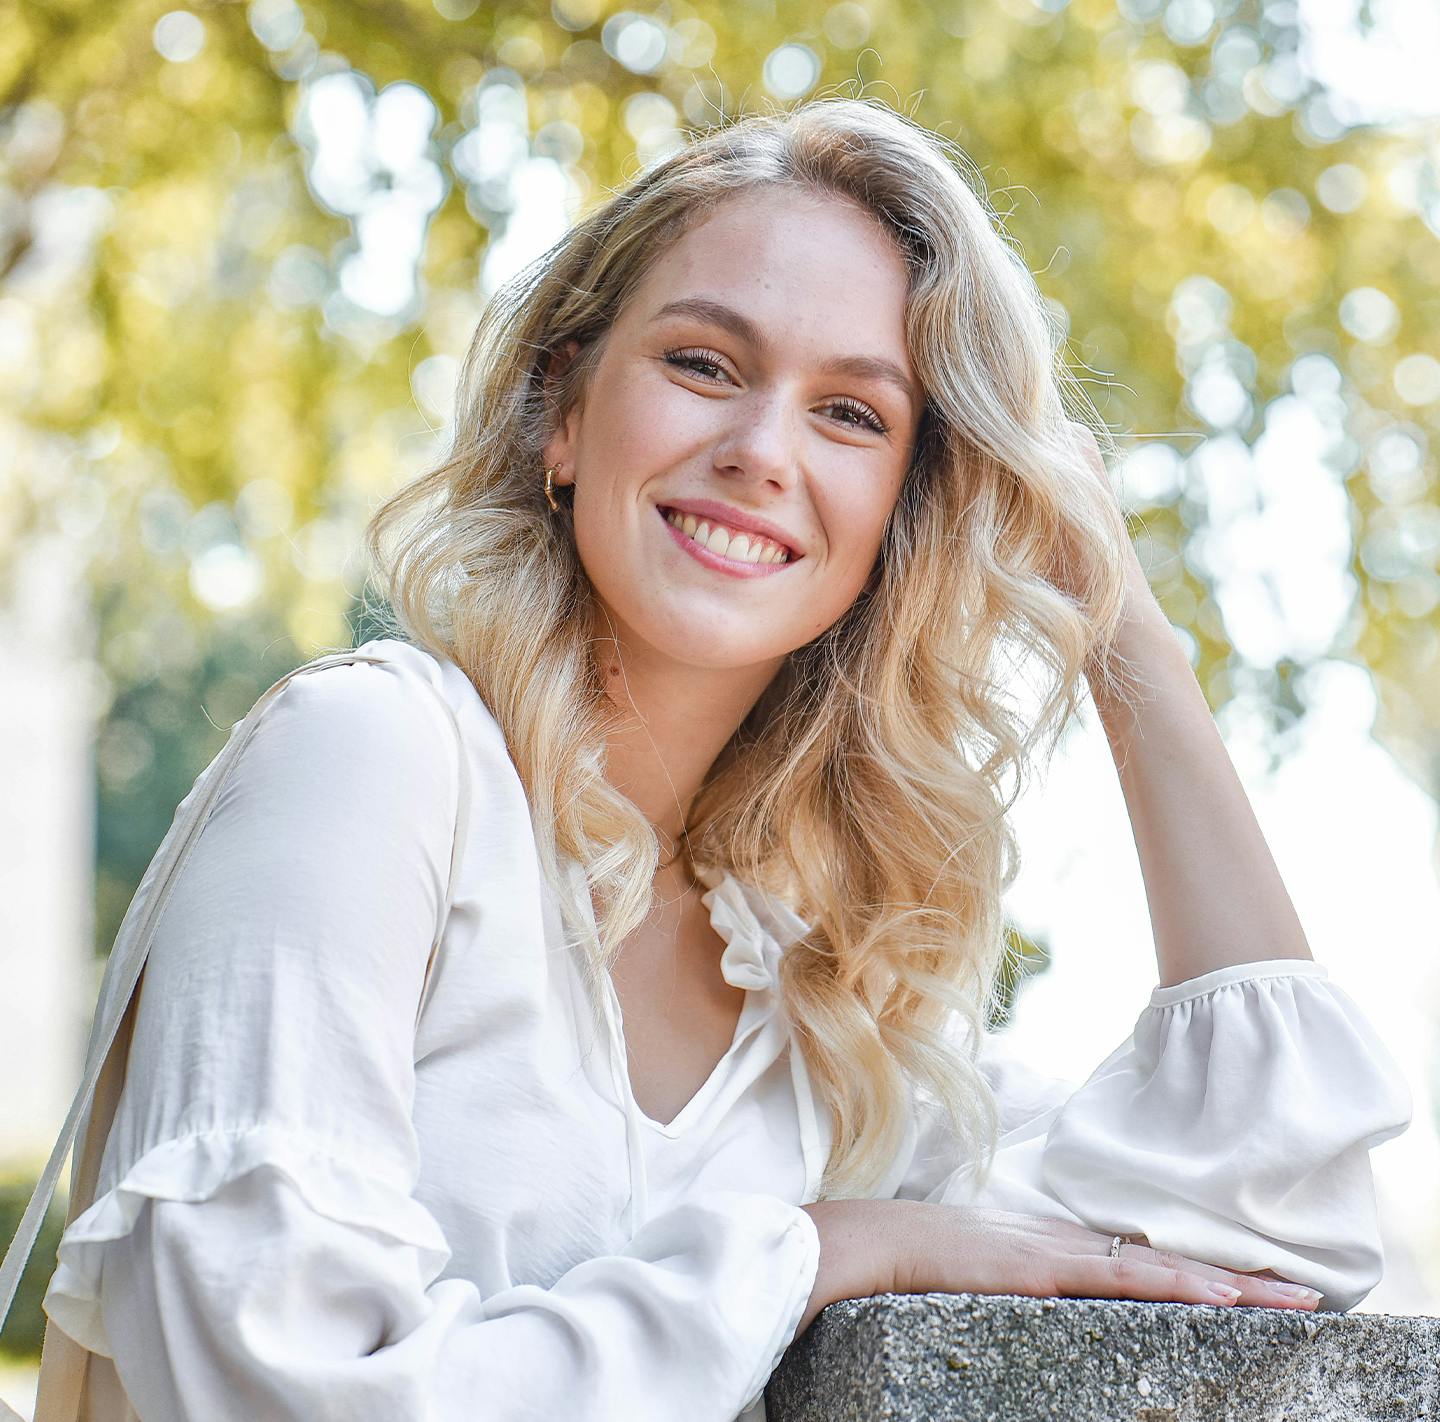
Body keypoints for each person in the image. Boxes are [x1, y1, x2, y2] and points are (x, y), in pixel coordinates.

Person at [40, 97, 1410, 1421]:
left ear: (903, 513)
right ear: (559, 413)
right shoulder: (374, 762)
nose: (760, 451)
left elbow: (1273, 1220)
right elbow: (263, 1383)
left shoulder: (826, 1012)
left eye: (853, 415)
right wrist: (802, 1254)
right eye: (704, 362)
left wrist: (1118, 620)